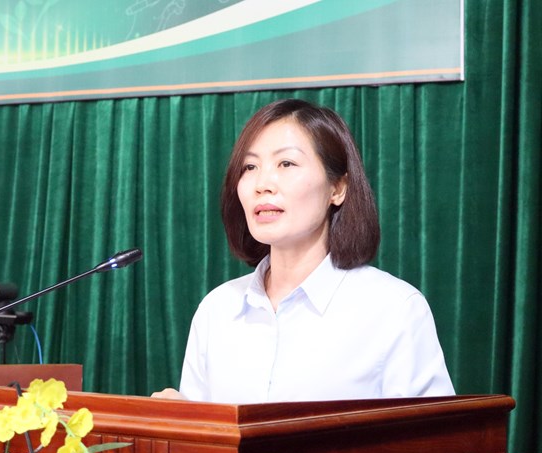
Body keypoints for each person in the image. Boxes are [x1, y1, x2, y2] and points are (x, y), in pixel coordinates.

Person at [152, 99, 455, 403]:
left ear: (338, 188)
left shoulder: (394, 309)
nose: (262, 184)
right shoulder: (216, 309)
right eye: (250, 167)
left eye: (286, 164)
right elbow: (202, 430)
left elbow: (435, 432)